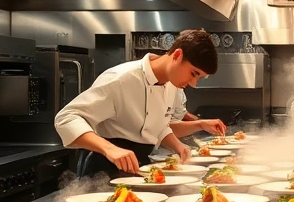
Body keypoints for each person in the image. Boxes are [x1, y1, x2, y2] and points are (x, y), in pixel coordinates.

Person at [54, 29, 223, 177]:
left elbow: (156, 127)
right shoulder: (121, 79)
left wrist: (179, 147)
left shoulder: (171, 85)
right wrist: (110, 149)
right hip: (102, 170)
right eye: (194, 74)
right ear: (177, 56)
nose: (193, 84)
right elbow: (66, 118)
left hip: (139, 167)